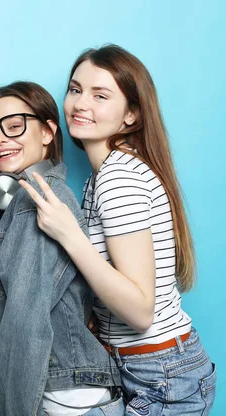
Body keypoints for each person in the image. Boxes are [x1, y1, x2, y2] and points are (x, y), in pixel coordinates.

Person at [20, 44, 217, 415]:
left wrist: (71, 236)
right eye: (76, 90)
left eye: (100, 95)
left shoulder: (118, 177)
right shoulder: (108, 174)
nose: (81, 104)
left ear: (130, 115)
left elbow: (141, 311)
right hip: (152, 366)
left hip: (160, 374)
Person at [0, 81, 123, 415]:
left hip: (66, 398)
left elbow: (25, 325)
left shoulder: (38, 203)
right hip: (69, 392)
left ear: (48, 132)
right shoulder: (30, 199)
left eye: (14, 126)